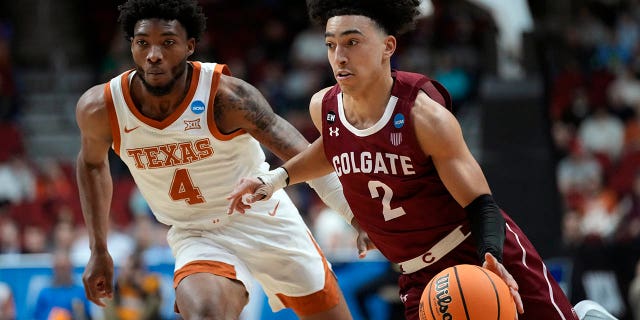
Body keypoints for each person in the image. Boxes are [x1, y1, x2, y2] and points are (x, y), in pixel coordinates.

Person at [227, 1, 618, 320]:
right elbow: (332, 149)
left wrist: (493, 258)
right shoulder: (323, 107)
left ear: (388, 47)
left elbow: (483, 205)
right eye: (331, 45)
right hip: (418, 278)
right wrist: (275, 179)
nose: (339, 57)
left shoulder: (424, 116)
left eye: (352, 42)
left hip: (474, 252)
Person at [75, 0, 357, 319]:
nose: (153, 54)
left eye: (167, 42)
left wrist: (354, 214)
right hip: (195, 231)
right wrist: (98, 249)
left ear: (189, 46)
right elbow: (92, 164)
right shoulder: (101, 108)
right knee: (206, 312)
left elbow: (305, 154)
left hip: (263, 216)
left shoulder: (227, 97)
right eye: (143, 43)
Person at [33, 249, 91, 320]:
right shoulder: (44, 293)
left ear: (71, 268)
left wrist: (80, 314)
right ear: (54, 269)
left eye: (65, 268)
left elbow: (89, 316)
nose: (62, 272)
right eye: (59, 268)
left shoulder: (81, 292)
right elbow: (36, 316)